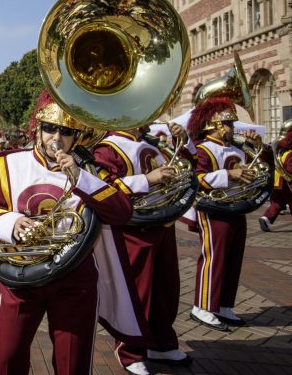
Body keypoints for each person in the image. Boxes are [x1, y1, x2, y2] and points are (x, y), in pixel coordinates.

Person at [0, 91, 136, 375]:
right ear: (37, 129)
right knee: (7, 358)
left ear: (77, 136)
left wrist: (81, 177)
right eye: (49, 128)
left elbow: (121, 212)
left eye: (66, 131)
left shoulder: (91, 170)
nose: (56, 137)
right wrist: (12, 222)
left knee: (72, 363)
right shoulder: (9, 163)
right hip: (21, 275)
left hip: (74, 279)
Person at [93, 123, 194, 374]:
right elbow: (104, 187)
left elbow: (186, 169)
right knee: (138, 291)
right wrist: (147, 179)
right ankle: (129, 350)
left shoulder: (152, 143)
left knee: (165, 287)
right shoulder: (108, 147)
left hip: (162, 223)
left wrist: (183, 142)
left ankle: (162, 342)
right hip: (132, 229)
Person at [186, 96, 269, 330]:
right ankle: (202, 306)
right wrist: (228, 175)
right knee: (214, 258)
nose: (233, 128)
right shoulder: (203, 149)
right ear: (215, 125)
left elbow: (261, 168)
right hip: (213, 210)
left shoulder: (236, 148)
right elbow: (196, 178)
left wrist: (257, 148)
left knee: (233, 257)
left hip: (236, 207)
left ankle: (223, 305)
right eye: (229, 123)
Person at [260, 121, 292, 231]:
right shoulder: (289, 154)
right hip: (286, 184)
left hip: (276, 182)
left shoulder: (279, 152)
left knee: (277, 203)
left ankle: (266, 218)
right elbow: (290, 170)